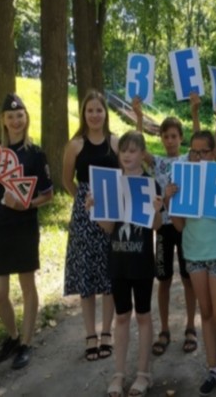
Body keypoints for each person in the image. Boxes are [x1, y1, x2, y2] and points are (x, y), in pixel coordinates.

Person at [167, 129, 216, 397]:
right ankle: (212, 368)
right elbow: (178, 226)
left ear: (213, 153)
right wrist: (169, 201)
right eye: (193, 151)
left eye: (203, 151)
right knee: (207, 313)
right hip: (194, 253)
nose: (198, 156)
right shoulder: (182, 177)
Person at [85, 130, 162, 397]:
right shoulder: (112, 184)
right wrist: (95, 210)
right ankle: (119, 373)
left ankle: (143, 373)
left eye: (133, 150)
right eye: (124, 151)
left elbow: (156, 226)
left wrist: (157, 208)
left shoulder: (151, 184)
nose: (127, 155)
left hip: (141, 262)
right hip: (117, 261)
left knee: (142, 315)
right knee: (121, 317)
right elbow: (108, 228)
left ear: (142, 154)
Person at [0, 93, 53, 370]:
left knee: (27, 286)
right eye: (10, 116)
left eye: (19, 115)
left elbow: (49, 194)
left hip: (24, 227)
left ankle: (25, 342)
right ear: (3, 120)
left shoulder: (36, 154)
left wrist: (25, 205)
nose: (16, 120)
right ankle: (11, 336)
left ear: (26, 118)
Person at [132, 97, 198, 357]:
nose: (169, 140)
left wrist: (194, 112)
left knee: (188, 279)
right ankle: (165, 329)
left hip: (185, 227)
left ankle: (191, 327)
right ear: (160, 138)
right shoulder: (157, 163)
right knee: (164, 280)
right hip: (163, 229)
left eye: (173, 136)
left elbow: (199, 142)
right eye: (165, 136)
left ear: (181, 138)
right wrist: (138, 116)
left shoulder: (188, 159)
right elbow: (137, 147)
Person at [62, 90, 119, 361]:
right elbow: (66, 180)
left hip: (110, 215)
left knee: (108, 275)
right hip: (84, 218)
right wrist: (82, 200)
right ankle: (90, 334)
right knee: (86, 276)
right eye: (90, 110)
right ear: (83, 114)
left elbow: (126, 175)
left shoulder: (115, 143)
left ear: (105, 113)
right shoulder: (75, 145)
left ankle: (107, 331)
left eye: (99, 110)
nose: (95, 115)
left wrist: (110, 205)